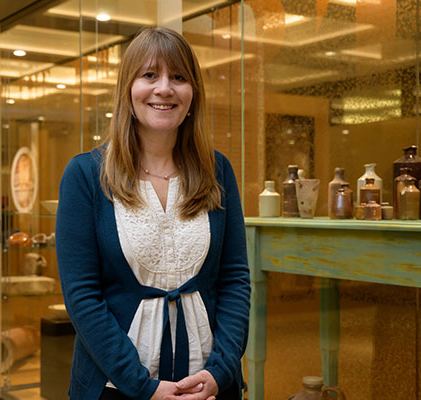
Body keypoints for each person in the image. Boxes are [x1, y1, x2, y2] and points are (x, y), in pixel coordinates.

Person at [56, 26, 250, 400]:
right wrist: (143, 387)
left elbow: (234, 279)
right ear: (128, 90)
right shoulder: (85, 175)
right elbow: (82, 296)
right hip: (115, 386)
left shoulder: (218, 170)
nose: (164, 88)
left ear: (193, 94)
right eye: (149, 75)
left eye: (178, 77)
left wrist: (222, 370)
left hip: (207, 386)